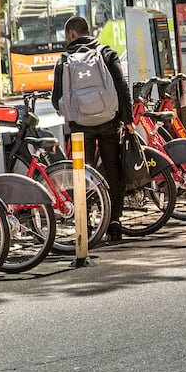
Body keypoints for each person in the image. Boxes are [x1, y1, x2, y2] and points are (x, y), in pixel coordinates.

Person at [51, 15, 133, 242]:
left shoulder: (65, 60)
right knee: (113, 169)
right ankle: (115, 222)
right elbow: (122, 87)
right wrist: (128, 119)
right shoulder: (107, 53)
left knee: (82, 174)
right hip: (108, 122)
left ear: (71, 34)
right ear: (88, 31)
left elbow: (56, 98)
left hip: (80, 128)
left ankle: (85, 224)